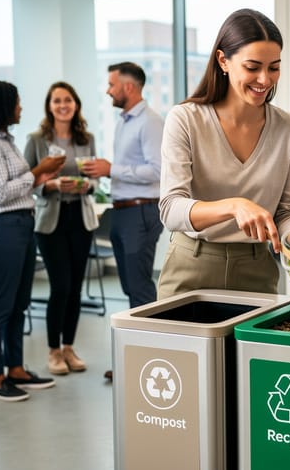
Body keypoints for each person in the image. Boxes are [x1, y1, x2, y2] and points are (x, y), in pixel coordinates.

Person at [158, 8, 290, 298]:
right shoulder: (185, 119)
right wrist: (235, 206)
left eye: (274, 67)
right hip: (191, 267)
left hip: (256, 269)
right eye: (253, 67)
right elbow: (171, 209)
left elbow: (286, 212)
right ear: (223, 61)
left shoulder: (288, 130)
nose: (265, 79)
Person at [0, 80, 66, 402]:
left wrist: (43, 175)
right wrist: (39, 171)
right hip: (2, 228)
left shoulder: (6, 142)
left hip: (22, 225)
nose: (21, 107)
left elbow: (20, 186)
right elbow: (1, 193)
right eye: (17, 102)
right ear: (2, 107)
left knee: (19, 303)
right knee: (0, 305)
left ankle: (16, 369)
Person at [80, 62, 163, 381]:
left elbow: (157, 172)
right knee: (130, 286)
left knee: (139, 288)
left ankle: (150, 362)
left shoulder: (150, 122)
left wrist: (110, 169)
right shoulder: (124, 122)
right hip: (123, 211)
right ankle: (136, 360)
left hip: (141, 211)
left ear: (129, 87)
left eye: (112, 84)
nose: (108, 90)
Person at [24, 81, 98, 376]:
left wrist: (85, 185)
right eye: (57, 101)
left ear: (76, 104)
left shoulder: (86, 138)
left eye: (68, 100)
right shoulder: (36, 140)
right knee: (61, 286)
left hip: (80, 218)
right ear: (49, 106)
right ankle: (53, 351)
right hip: (50, 220)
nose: (63, 105)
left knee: (76, 287)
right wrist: (51, 185)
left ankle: (69, 347)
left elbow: (95, 179)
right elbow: (27, 180)